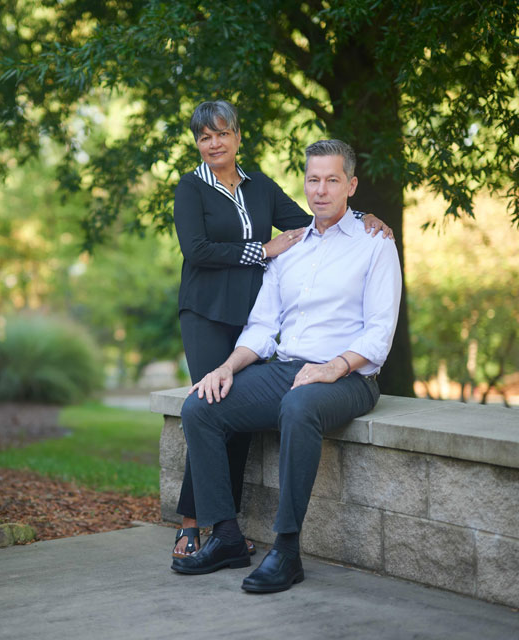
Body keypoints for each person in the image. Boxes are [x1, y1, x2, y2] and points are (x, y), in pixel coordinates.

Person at [171, 139, 402, 593]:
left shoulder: (375, 243)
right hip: (287, 368)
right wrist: (227, 368)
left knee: (299, 407)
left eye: (332, 180)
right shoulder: (290, 247)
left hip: (349, 377)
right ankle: (227, 536)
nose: (321, 190)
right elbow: (261, 325)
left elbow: (379, 333)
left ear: (351, 185)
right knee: (201, 405)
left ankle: (287, 550)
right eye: (313, 180)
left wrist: (333, 367)